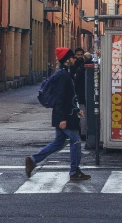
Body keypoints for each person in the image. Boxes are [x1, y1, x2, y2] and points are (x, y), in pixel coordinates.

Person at [25, 48, 90, 181]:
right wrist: (62, 118)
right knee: (76, 140)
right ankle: (74, 171)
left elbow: (68, 97)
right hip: (64, 116)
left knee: (58, 143)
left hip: (66, 113)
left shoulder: (65, 73)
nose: (74, 59)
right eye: (72, 57)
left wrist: (77, 109)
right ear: (67, 60)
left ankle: (32, 160)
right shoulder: (63, 75)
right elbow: (60, 98)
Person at [70, 48, 89, 140]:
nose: (80, 56)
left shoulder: (84, 66)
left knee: (82, 113)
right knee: (79, 113)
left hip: (81, 93)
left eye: (81, 54)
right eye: (78, 55)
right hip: (76, 94)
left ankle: (82, 133)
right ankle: (80, 132)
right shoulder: (73, 66)